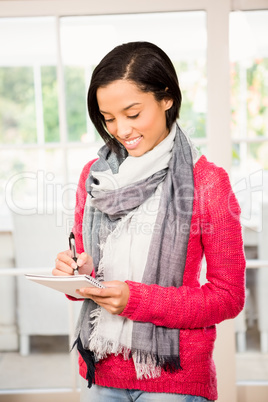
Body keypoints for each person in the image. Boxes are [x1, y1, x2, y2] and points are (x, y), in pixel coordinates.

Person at [53, 41, 246, 402]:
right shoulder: (94, 178)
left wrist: (136, 300)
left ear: (167, 98)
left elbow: (228, 297)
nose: (121, 130)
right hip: (101, 369)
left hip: (174, 378)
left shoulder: (206, 183)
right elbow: (88, 275)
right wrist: (74, 276)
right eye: (108, 119)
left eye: (133, 113)